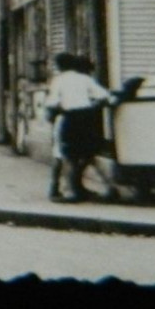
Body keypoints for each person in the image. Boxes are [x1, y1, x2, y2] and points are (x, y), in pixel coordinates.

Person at [43, 52, 119, 203]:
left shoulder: (59, 80)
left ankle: (73, 192)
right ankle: (110, 188)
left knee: (69, 156)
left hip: (70, 118)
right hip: (87, 118)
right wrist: (93, 106)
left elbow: (52, 103)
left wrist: (53, 112)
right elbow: (105, 96)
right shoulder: (85, 79)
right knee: (89, 154)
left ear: (60, 66)